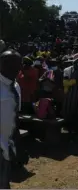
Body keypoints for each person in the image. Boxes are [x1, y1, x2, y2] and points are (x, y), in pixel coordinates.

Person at [0, 50, 28, 189]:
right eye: (10, 64)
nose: (16, 69)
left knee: (4, 181)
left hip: (7, 144)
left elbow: (15, 116)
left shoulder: (15, 86)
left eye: (18, 65)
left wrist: (18, 144)